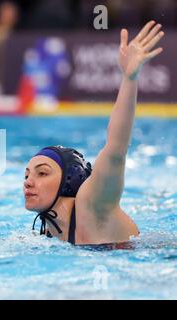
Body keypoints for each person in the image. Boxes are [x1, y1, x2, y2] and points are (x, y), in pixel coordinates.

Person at [24, 21, 164, 245]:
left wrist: (129, 78)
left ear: (69, 181)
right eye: (27, 174)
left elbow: (116, 148)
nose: (29, 182)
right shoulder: (47, 232)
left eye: (42, 173)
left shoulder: (92, 204)